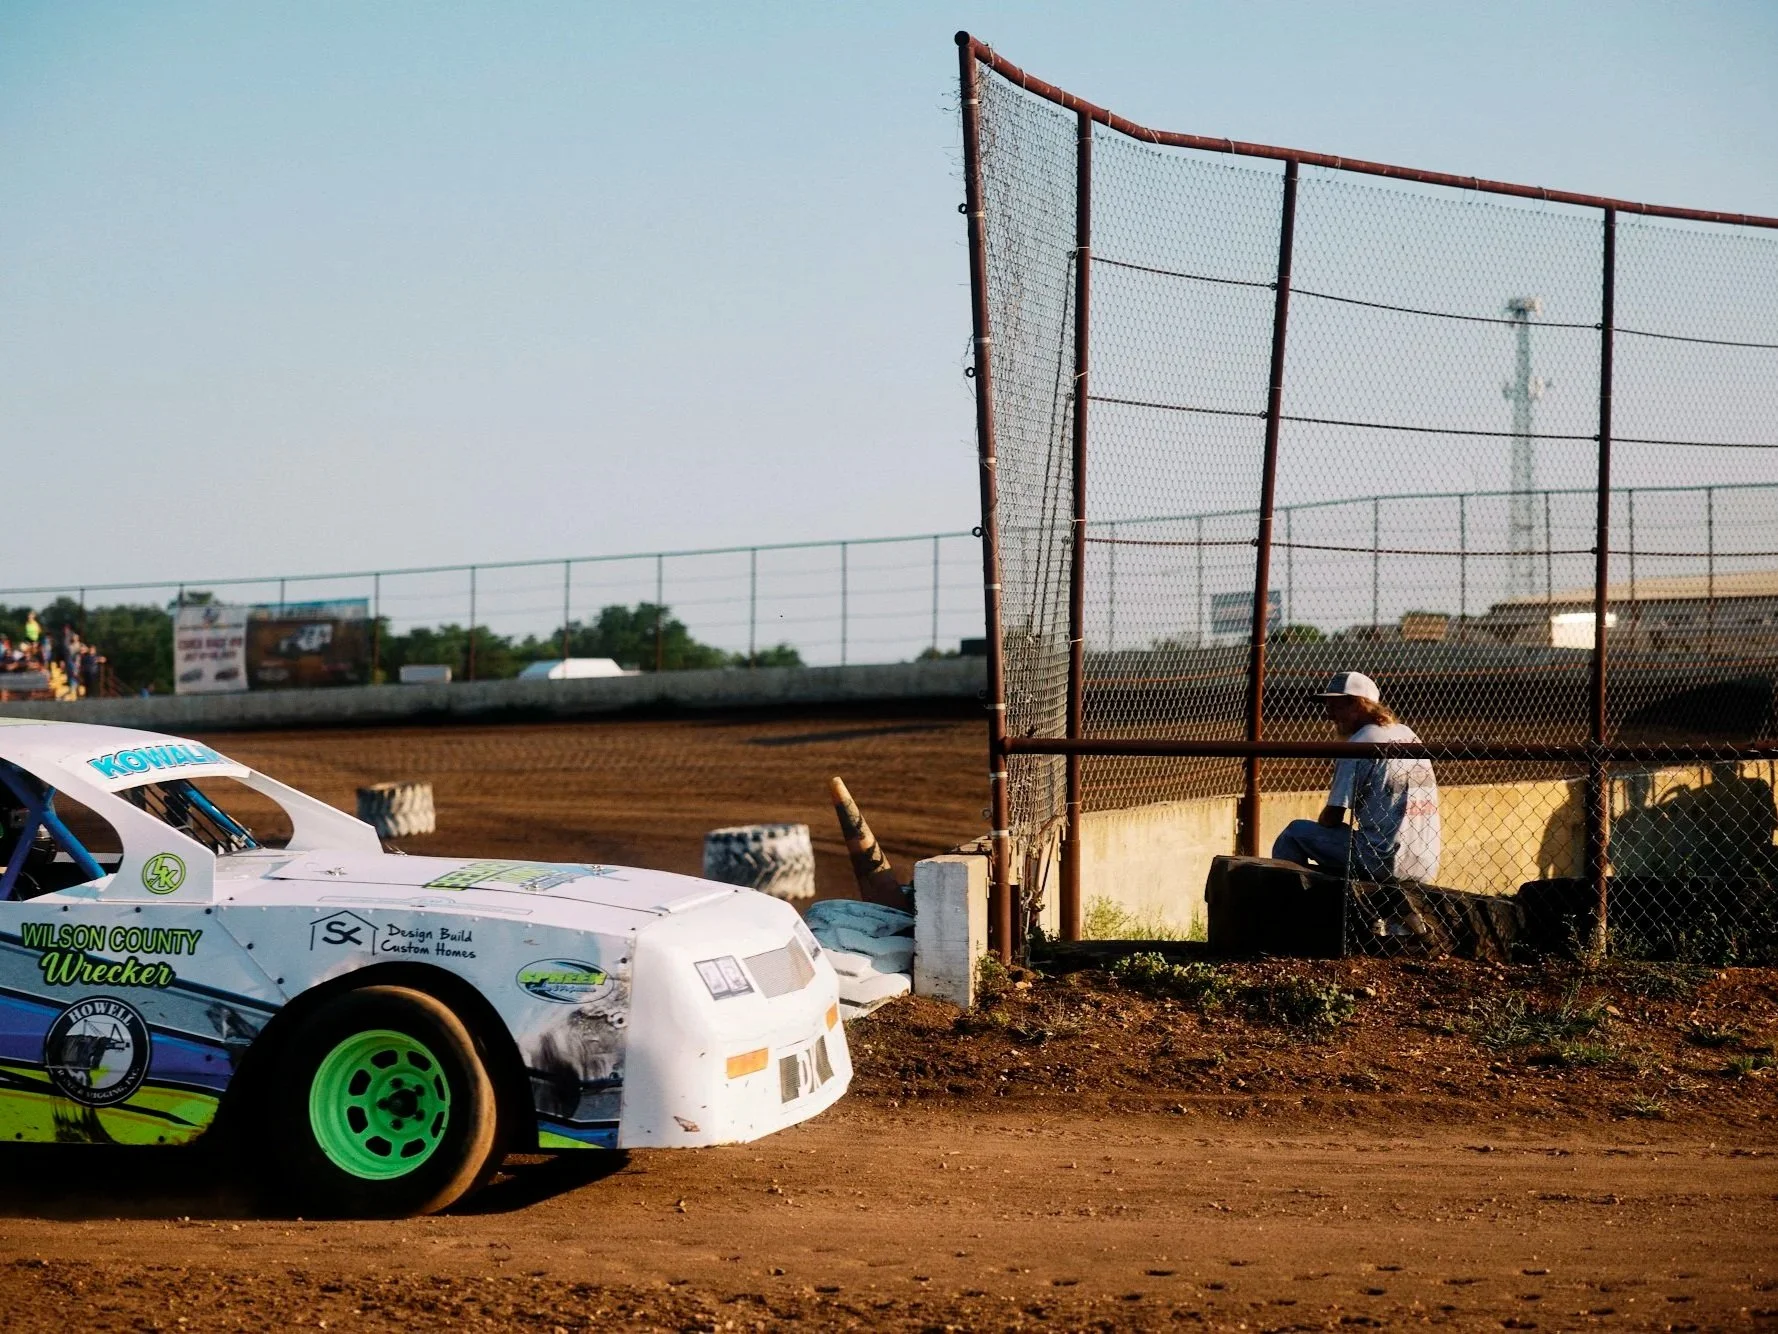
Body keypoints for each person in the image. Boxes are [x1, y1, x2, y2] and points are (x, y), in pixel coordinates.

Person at [1271, 671, 1441, 883]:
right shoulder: (1407, 733)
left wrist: (1324, 823)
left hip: (1381, 861)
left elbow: (1333, 817)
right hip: (1426, 862)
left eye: (1335, 706)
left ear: (1358, 704)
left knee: (1293, 834)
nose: (1329, 715)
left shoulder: (1361, 742)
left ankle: (1291, 909)